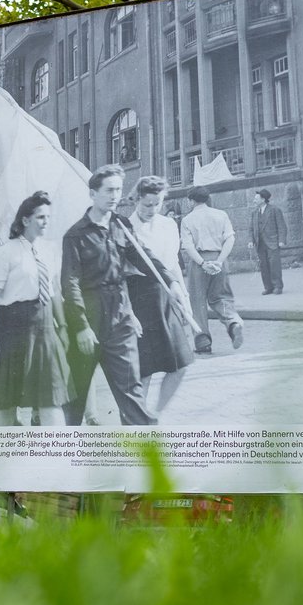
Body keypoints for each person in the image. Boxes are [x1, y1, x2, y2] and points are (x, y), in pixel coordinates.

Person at [61, 165, 179, 426]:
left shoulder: (122, 226)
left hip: (120, 319)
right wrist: (80, 327)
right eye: (109, 190)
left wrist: (170, 281)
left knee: (132, 392)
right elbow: (69, 285)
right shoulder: (75, 235)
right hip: (88, 320)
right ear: (93, 193)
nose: (115, 195)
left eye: (118, 190)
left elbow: (145, 257)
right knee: (76, 397)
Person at [0, 192, 71, 426]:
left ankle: (58, 457)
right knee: (6, 400)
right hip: (11, 329)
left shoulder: (50, 249)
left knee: (51, 398)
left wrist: (62, 327)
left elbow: (53, 290)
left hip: (45, 329)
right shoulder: (6, 252)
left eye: (48, 217)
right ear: (25, 220)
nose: (46, 222)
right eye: (41, 217)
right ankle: (2, 457)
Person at [128, 176, 194, 415]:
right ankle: (139, 423)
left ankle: (154, 415)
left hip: (169, 297)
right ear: (137, 199)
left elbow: (173, 263)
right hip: (140, 298)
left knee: (180, 365)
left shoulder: (168, 225)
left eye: (157, 204)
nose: (152, 210)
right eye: (147, 204)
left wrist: (184, 297)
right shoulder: (126, 227)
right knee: (144, 371)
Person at [180, 186, 244, 354]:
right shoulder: (221, 215)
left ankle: (202, 341)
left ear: (191, 201)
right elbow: (230, 239)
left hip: (199, 262)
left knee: (197, 301)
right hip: (219, 259)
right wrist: (219, 261)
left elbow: (187, 246)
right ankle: (233, 322)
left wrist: (202, 263)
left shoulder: (187, 220)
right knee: (221, 296)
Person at [250, 188, 287, 295]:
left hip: (273, 243)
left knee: (274, 265)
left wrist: (281, 240)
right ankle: (268, 287)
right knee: (264, 266)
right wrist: (251, 240)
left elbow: (282, 226)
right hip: (260, 244)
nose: (254, 201)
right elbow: (251, 228)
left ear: (263, 199)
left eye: (256, 199)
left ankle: (278, 287)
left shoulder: (274, 210)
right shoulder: (254, 213)